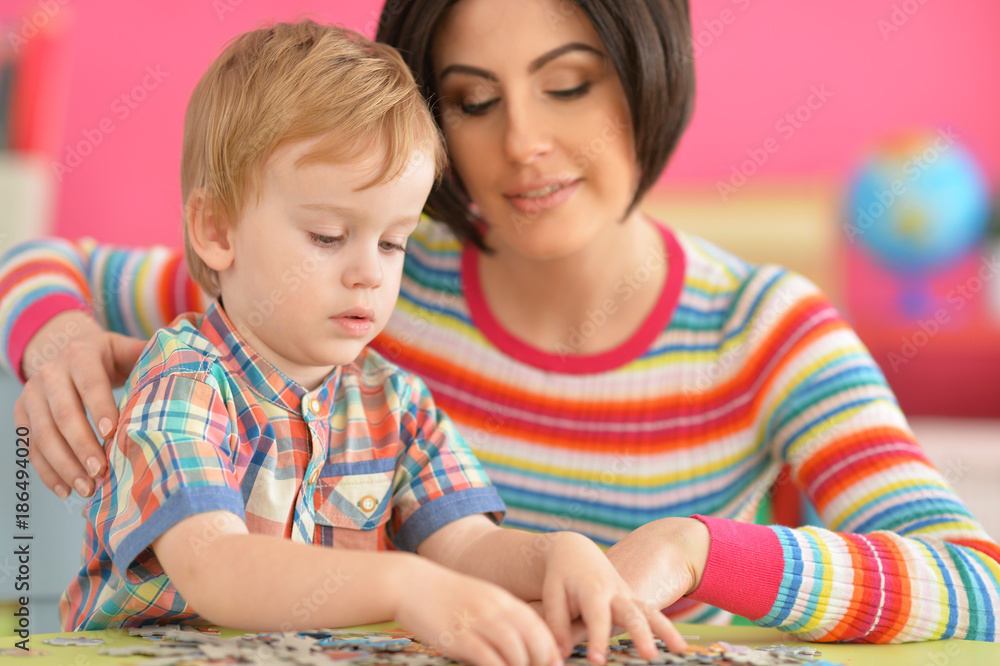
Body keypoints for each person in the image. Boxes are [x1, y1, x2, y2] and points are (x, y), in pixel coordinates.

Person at [3, 0, 998, 645]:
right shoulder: (349, 287)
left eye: (567, 85)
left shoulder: (766, 330)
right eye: (472, 103)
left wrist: (696, 552)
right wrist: (54, 338)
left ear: (647, 73)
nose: (523, 143)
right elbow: (39, 263)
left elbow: (973, 581)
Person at [44, 19, 685, 666]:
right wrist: (405, 585)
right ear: (216, 229)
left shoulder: (397, 402)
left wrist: (556, 552)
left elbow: (464, 548)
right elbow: (217, 567)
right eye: (327, 236)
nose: (369, 273)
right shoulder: (182, 384)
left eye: (393, 242)